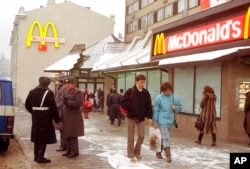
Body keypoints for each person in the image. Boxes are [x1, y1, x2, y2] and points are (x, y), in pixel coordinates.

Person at [25, 76, 60, 163]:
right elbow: (53, 107)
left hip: (35, 116)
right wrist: (56, 119)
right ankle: (40, 157)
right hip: (45, 116)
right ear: (48, 84)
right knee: (43, 137)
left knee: (36, 136)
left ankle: (36, 156)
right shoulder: (49, 92)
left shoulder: (32, 91)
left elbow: (27, 104)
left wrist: (34, 112)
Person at [120, 74, 153, 163]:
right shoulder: (131, 91)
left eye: (144, 82)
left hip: (141, 118)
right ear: (137, 82)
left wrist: (150, 116)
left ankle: (137, 152)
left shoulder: (146, 92)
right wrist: (131, 107)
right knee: (131, 137)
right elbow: (123, 102)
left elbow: (149, 105)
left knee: (141, 136)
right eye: (141, 82)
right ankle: (131, 155)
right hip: (131, 117)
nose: (143, 84)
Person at [153, 82, 182, 163]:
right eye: (165, 90)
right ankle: (168, 156)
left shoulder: (174, 97)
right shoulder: (159, 98)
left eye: (168, 90)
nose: (167, 92)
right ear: (162, 90)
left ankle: (158, 152)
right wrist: (155, 121)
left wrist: (176, 107)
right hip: (161, 121)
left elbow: (180, 107)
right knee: (166, 138)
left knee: (163, 138)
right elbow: (156, 110)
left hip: (170, 121)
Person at [61, 77, 84, 158]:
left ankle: (74, 151)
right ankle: (69, 150)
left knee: (73, 134)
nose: (67, 85)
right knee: (67, 134)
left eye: (69, 83)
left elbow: (79, 103)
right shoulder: (66, 92)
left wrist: (68, 103)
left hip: (74, 116)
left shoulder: (78, 92)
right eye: (66, 83)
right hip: (67, 116)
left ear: (73, 84)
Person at [55, 75, 68, 152]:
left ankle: (64, 145)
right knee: (62, 129)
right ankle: (63, 145)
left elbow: (62, 100)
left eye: (58, 81)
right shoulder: (61, 88)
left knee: (63, 129)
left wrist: (57, 106)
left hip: (61, 111)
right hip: (60, 110)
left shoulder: (63, 89)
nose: (57, 82)